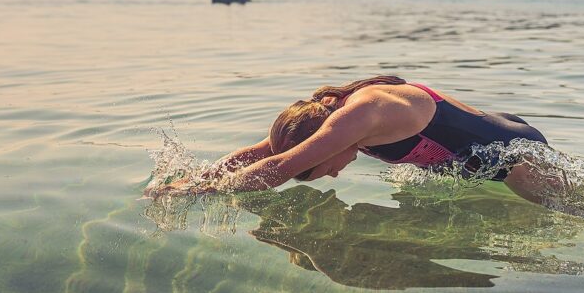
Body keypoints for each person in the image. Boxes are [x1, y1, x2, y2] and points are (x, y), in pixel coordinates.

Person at [148, 76, 560, 205]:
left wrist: (204, 195)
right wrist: (190, 181)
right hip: (488, 162)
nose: (331, 174)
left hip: (520, 159)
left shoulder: (362, 114)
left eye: (322, 169)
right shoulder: (332, 121)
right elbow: (260, 154)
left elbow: (278, 168)